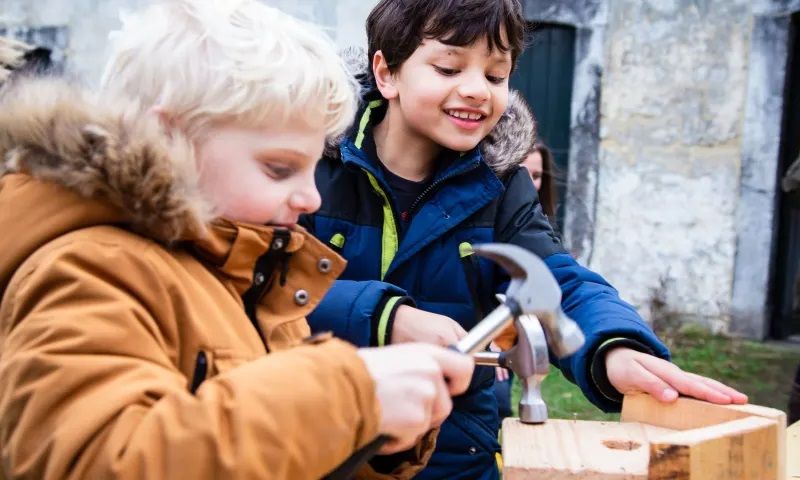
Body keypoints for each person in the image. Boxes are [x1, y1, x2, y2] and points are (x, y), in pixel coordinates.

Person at [0, 1, 475, 478]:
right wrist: (346, 396)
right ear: (169, 139)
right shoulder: (88, 271)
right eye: (279, 168)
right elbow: (97, 461)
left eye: (313, 168)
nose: (310, 197)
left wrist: (376, 436)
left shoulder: (250, 276)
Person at [301, 1, 747, 478]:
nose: (475, 90)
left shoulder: (501, 187)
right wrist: (384, 316)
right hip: (315, 447)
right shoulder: (307, 165)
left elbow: (555, 283)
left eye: (496, 76)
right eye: (449, 66)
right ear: (386, 73)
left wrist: (613, 348)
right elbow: (255, 287)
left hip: (450, 460)